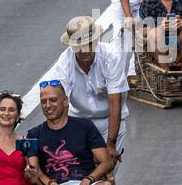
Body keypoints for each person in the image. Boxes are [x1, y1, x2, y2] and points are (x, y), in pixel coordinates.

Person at [25, 80, 128, 185]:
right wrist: (50, 183)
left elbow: (106, 162)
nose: (48, 105)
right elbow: (34, 169)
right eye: (43, 102)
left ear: (65, 101)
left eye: (53, 100)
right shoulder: (33, 134)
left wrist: (88, 180)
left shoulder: (84, 126)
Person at [52, 16, 130, 163]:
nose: (83, 51)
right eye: (78, 47)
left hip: (109, 121)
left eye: (88, 45)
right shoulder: (65, 61)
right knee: (83, 172)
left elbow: (115, 102)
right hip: (79, 121)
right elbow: (61, 101)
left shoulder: (111, 56)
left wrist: (111, 143)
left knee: (107, 172)